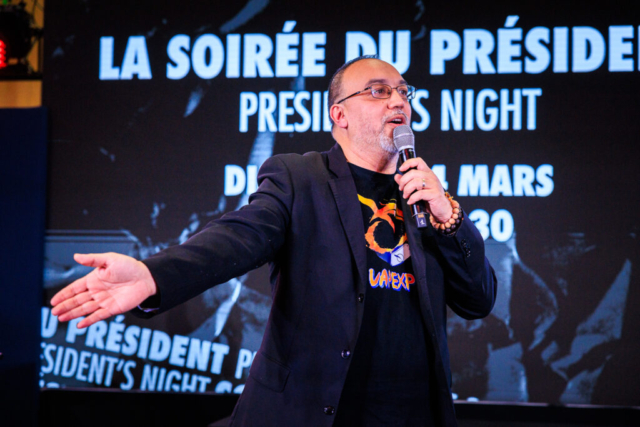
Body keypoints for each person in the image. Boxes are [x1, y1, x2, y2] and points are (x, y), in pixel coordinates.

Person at [51, 56, 497, 426]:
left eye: (403, 91)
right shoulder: (300, 178)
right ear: (339, 114)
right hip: (315, 410)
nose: (398, 100)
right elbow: (238, 237)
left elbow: (478, 299)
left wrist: (449, 217)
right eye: (378, 91)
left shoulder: (424, 195)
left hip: (410, 414)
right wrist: (153, 275)